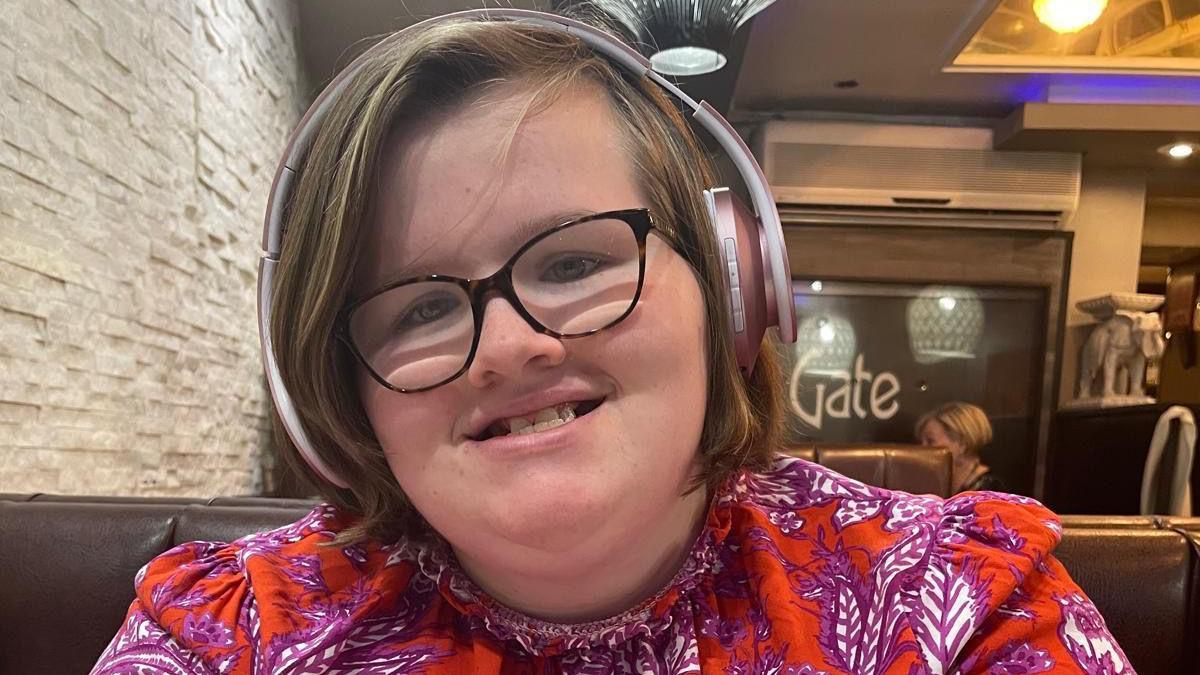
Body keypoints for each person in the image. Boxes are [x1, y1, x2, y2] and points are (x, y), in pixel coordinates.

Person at [92, 9, 1131, 674]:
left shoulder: (966, 611)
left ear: (730, 289)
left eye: (575, 263)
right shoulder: (223, 639)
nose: (506, 345)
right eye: (416, 309)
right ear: (345, 390)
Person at [916, 402, 1006, 494]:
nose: (922, 449)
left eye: (930, 441)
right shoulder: (927, 481)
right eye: (921, 442)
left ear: (962, 444)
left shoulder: (989, 491)